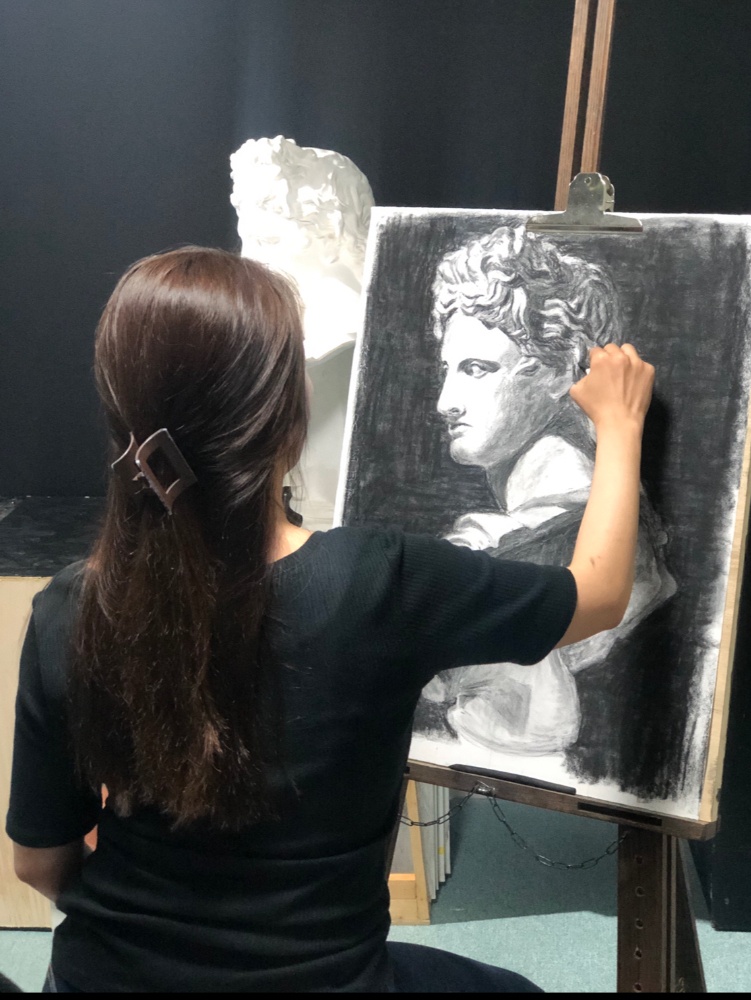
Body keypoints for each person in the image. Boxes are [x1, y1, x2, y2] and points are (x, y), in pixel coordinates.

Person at [8, 247, 654, 993]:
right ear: (287, 415)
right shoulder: (377, 583)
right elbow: (598, 595)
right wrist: (619, 424)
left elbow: (41, 864)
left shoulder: (70, 608)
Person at [420, 227, 676, 755]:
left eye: (475, 369)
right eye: (448, 369)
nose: (445, 401)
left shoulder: (515, 550)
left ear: (561, 371)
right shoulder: (589, 515)